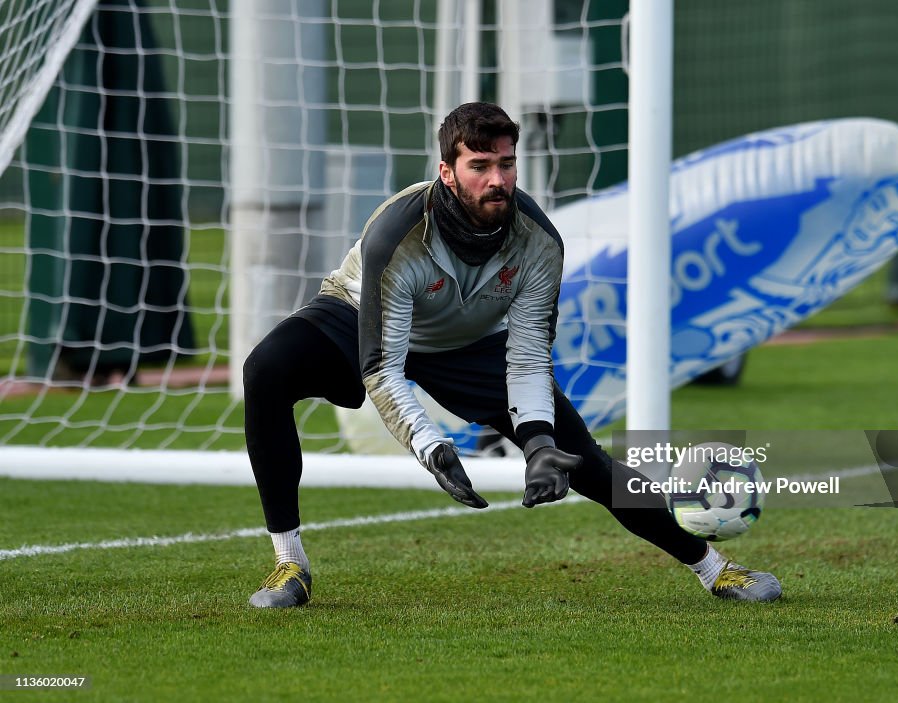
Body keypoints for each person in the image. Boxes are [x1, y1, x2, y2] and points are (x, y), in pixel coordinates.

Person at [243, 102, 781, 608]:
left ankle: (716, 569)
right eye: (480, 165)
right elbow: (382, 365)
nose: (497, 179)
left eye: (506, 163)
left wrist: (540, 443)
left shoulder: (539, 241)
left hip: (463, 340)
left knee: (585, 461)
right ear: (447, 172)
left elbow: (525, 358)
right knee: (264, 370)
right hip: (358, 317)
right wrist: (432, 447)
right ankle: (289, 564)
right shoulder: (398, 233)